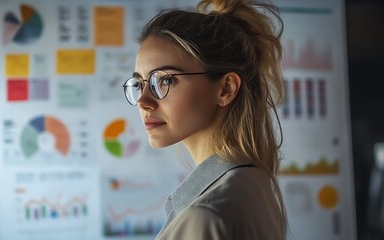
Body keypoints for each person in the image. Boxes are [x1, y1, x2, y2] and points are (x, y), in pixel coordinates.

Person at [122, 0, 287, 239]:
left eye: (166, 80)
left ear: (226, 89)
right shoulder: (252, 181)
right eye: (139, 83)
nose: (143, 101)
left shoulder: (205, 215)